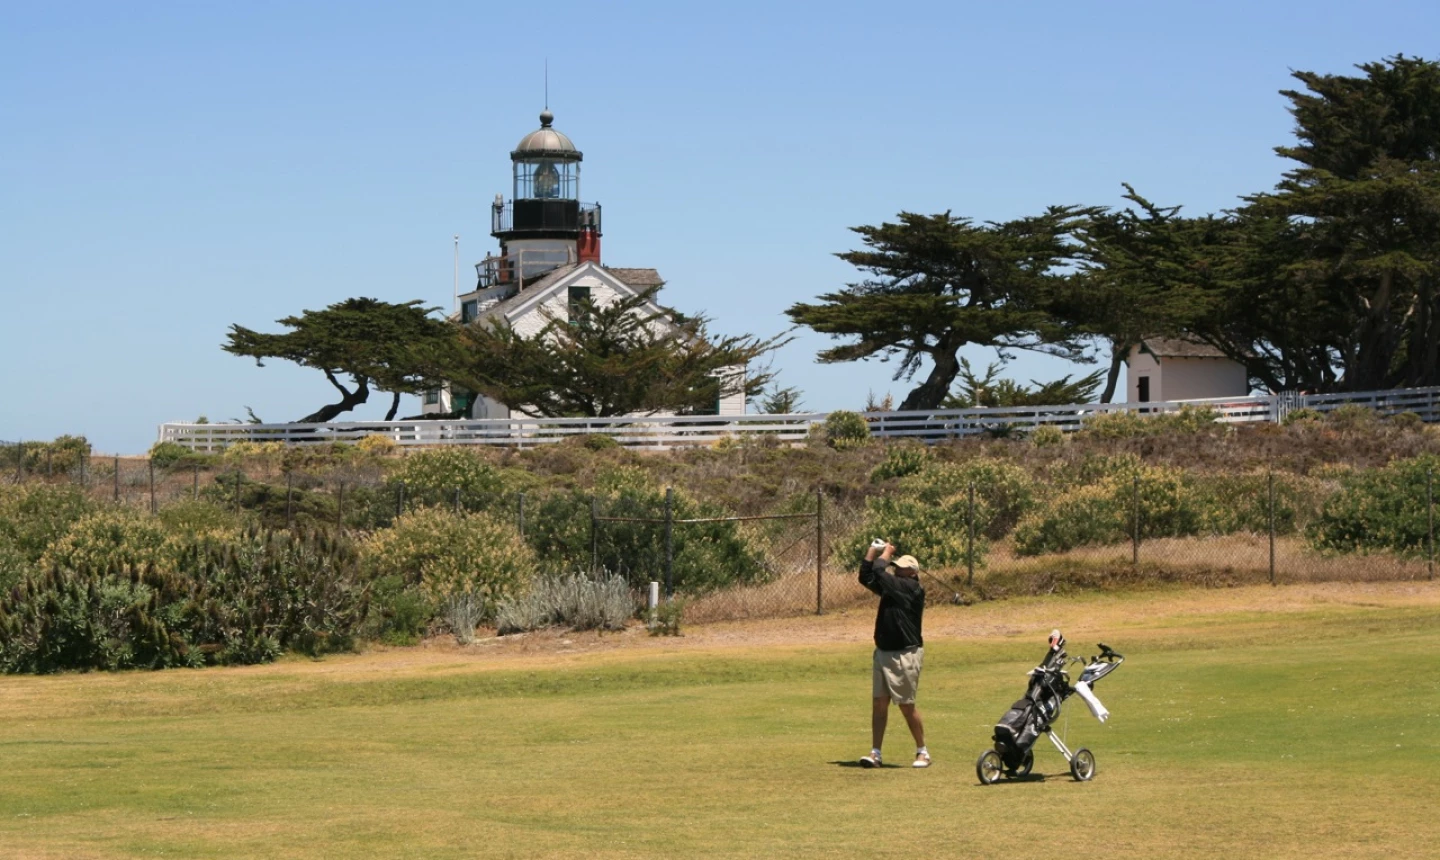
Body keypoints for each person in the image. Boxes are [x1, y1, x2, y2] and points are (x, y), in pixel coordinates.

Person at [858, 539, 929, 768]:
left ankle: (922, 751)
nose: (895, 569)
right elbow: (867, 576)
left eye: (900, 567)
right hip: (883, 652)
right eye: (895, 566)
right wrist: (872, 549)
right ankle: (875, 753)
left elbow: (879, 570)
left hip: (905, 654)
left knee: (906, 705)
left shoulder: (910, 588)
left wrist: (886, 553)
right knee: (879, 704)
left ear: (912, 572)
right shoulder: (894, 587)